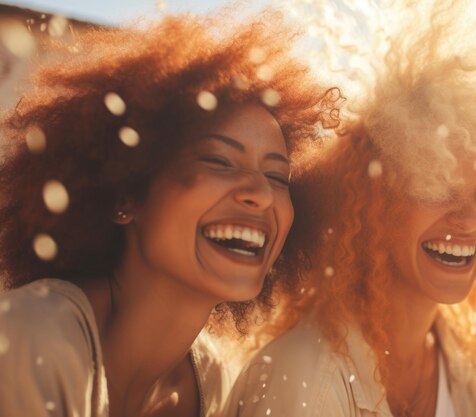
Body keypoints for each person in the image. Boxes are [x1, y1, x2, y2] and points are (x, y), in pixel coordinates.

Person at [223, 1, 476, 416]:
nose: (469, 220)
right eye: (436, 189)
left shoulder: (466, 373)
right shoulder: (301, 379)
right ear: (373, 201)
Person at [0, 11, 339, 417]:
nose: (262, 194)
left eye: (277, 175)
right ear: (124, 194)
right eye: (218, 161)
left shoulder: (211, 379)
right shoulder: (30, 333)